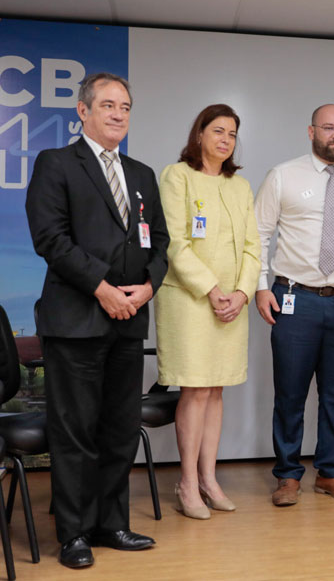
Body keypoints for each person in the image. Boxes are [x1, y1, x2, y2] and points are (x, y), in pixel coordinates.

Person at [25, 72, 169, 568]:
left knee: (119, 430)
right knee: (75, 431)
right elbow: (51, 238)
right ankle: (74, 533)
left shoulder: (143, 174)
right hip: (77, 320)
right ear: (83, 111)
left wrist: (149, 285)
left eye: (125, 106)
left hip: (129, 319)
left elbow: (161, 243)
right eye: (107, 105)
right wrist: (103, 288)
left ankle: (111, 524)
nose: (118, 114)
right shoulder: (57, 163)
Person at [255, 104, 334, 507]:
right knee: (289, 393)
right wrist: (259, 287)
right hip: (294, 298)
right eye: (328, 128)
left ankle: (330, 472)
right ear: (311, 131)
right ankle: (288, 475)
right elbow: (258, 233)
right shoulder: (283, 175)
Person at [155, 104, 261, 519]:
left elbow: (254, 247)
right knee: (195, 389)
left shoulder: (240, 185)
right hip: (189, 299)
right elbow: (174, 243)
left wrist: (241, 293)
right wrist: (213, 290)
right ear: (199, 133)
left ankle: (209, 478)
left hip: (232, 305)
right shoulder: (176, 176)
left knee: (216, 389)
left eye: (232, 134)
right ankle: (186, 482)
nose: (225, 139)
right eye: (217, 131)